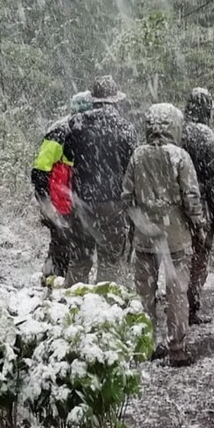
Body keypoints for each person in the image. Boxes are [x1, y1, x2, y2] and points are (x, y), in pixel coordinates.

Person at [122, 103, 206, 367]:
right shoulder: (180, 157)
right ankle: (177, 348)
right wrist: (199, 224)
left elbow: (126, 194)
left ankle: (144, 345)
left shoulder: (138, 156)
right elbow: (191, 197)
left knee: (144, 293)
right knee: (176, 292)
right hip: (175, 235)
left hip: (146, 235)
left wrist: (137, 219)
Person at [64, 75, 140, 285]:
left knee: (80, 258)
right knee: (109, 260)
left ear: (94, 98)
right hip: (112, 202)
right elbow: (131, 166)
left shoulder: (76, 124)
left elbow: (69, 156)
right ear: (115, 100)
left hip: (81, 200)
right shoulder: (126, 128)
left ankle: (71, 304)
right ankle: (104, 306)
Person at [29, 92, 94, 279]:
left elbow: (40, 169)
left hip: (64, 198)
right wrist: (46, 201)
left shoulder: (62, 129)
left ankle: (54, 282)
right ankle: (55, 283)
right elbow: (41, 169)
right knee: (64, 245)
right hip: (62, 200)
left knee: (62, 244)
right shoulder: (65, 131)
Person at [181, 87, 214, 325]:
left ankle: (176, 302)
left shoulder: (177, 132)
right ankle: (191, 304)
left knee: (179, 256)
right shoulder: (208, 138)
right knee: (199, 257)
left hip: (177, 206)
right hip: (202, 206)